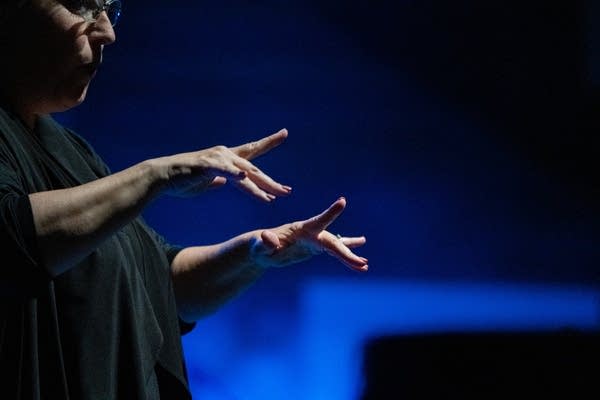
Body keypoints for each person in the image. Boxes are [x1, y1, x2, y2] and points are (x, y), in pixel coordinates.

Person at [0, 1, 368, 399]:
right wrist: (157, 173)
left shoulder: (68, 150)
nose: (107, 32)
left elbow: (162, 287)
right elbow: (11, 240)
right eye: (84, 7)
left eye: (110, 9)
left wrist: (253, 253)